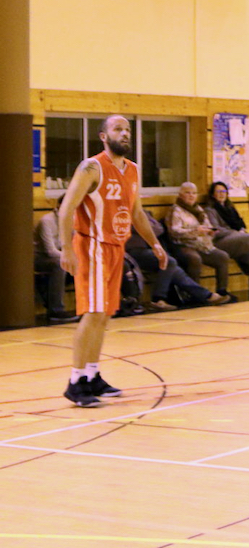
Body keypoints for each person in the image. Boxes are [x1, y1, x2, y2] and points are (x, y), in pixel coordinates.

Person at [57, 115, 168, 407]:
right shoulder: (91, 167)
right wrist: (66, 249)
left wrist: (155, 244)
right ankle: (75, 381)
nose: (125, 133)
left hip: (116, 248)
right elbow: (66, 209)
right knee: (93, 313)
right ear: (104, 136)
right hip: (92, 245)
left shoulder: (132, 169)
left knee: (104, 314)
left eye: (127, 129)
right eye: (118, 129)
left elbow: (136, 213)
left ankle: (92, 375)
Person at [168, 183, 249, 300]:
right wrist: (195, 231)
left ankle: (222, 292)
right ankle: (196, 295)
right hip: (185, 244)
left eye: (194, 193)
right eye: (187, 193)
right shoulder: (176, 210)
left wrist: (210, 231)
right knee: (195, 258)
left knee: (222, 256)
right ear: (180, 195)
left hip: (203, 244)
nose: (191, 196)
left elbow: (208, 226)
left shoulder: (198, 209)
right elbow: (174, 231)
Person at [126, 212, 229, 309]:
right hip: (132, 251)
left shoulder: (144, 212)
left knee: (175, 270)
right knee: (169, 261)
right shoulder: (126, 214)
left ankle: (206, 295)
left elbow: (159, 228)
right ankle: (158, 298)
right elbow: (143, 228)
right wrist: (146, 228)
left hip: (148, 249)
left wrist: (147, 228)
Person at [34, 196, 77, 323]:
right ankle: (56, 310)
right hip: (40, 258)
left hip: (60, 256)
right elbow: (50, 251)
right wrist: (71, 258)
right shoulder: (46, 221)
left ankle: (90, 307)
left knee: (89, 262)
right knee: (60, 264)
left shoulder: (73, 220)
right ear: (58, 206)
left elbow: (76, 244)